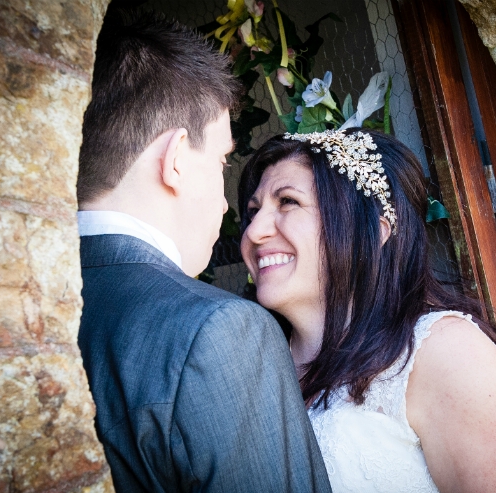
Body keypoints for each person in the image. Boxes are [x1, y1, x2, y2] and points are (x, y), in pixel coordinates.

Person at [75, 11, 330, 492]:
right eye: (221, 160)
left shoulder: (37, 299)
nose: (231, 209)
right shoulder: (218, 330)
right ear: (174, 159)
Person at [239, 129, 496, 492]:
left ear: (372, 232)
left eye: (288, 201)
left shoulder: (445, 353)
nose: (254, 231)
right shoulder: (252, 367)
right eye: (253, 211)